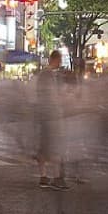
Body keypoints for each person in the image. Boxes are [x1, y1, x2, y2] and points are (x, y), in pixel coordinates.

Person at [36, 49, 69, 190]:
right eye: (59, 60)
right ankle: (57, 178)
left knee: (45, 147)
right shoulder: (47, 74)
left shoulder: (46, 74)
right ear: (54, 59)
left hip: (46, 115)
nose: (60, 63)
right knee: (55, 147)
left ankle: (44, 177)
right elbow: (50, 95)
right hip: (50, 115)